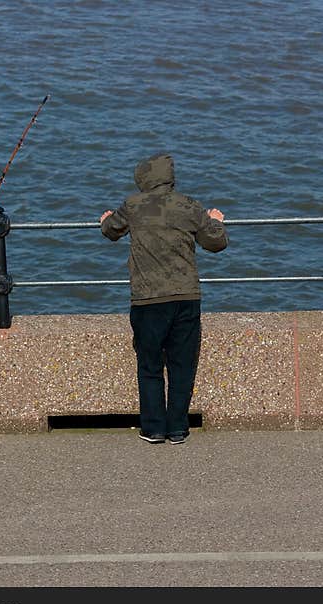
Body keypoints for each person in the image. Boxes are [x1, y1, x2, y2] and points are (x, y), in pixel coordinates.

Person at [100, 152, 228, 445]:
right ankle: (178, 429)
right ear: (170, 178)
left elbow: (111, 231)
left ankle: (154, 428)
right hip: (186, 297)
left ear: (143, 178)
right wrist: (215, 221)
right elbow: (216, 243)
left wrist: (106, 220)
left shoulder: (133, 205)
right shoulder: (189, 205)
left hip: (147, 299)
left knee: (150, 364)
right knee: (182, 365)